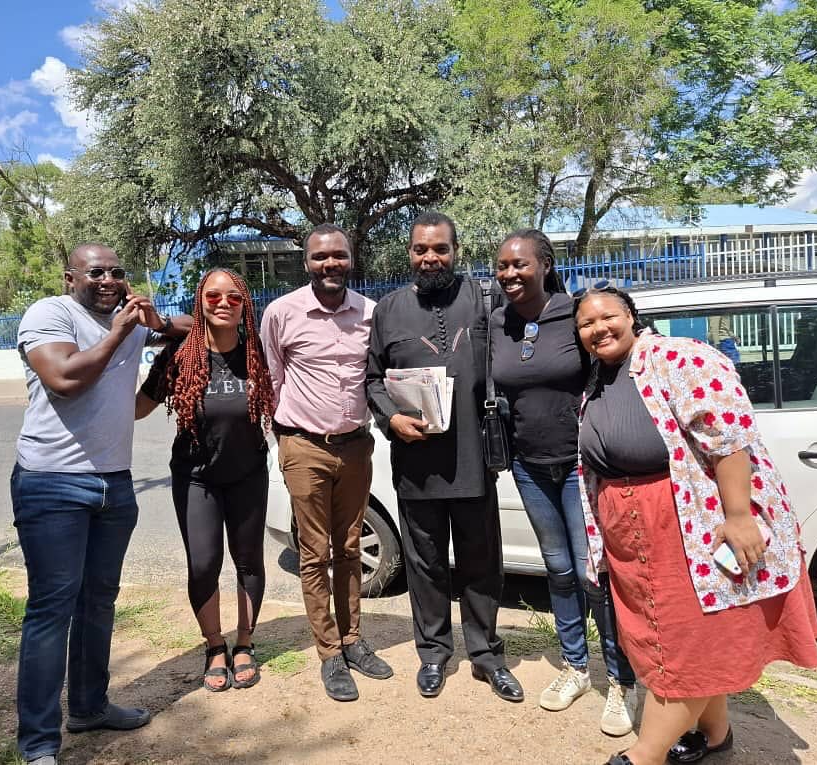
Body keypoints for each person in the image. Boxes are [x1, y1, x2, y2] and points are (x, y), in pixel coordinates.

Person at [571, 282, 817, 765]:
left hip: (685, 524)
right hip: (635, 530)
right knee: (686, 640)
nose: (598, 328)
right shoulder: (603, 375)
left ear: (631, 315)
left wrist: (738, 516)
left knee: (682, 649)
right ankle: (716, 733)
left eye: (608, 317)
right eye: (586, 323)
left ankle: (643, 756)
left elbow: (728, 439)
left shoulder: (678, 357)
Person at [11, 243, 190, 765]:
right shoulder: (50, 314)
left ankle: (89, 707)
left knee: (98, 604)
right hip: (53, 485)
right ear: (71, 278)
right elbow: (65, 380)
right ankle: (39, 744)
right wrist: (121, 332)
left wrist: (157, 323)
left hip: (114, 484)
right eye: (96, 272)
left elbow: (184, 328)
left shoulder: (130, 321)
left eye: (117, 272)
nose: (109, 280)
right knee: (52, 610)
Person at [366, 211, 523, 703]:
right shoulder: (387, 309)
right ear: (409, 253)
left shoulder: (482, 298)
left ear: (456, 251)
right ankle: (433, 653)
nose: (430, 258)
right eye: (421, 249)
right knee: (426, 564)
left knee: (480, 562)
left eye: (440, 249)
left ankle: (487, 654)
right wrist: (391, 417)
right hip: (416, 463)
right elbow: (372, 379)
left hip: (473, 458)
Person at [491, 230, 636, 734]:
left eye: (520, 264)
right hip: (530, 466)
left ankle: (620, 680)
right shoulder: (498, 323)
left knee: (591, 571)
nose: (509, 273)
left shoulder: (572, 313)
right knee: (556, 570)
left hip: (580, 464)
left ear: (545, 265)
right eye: (502, 266)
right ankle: (575, 667)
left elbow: (618, 362)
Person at [260, 223, 392, 702]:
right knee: (314, 555)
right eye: (320, 257)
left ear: (350, 259)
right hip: (304, 447)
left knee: (350, 548)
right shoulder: (281, 313)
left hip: (356, 446)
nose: (330, 264)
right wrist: (284, 441)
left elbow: (378, 376)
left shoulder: (372, 314)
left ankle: (353, 640)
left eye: (338, 255)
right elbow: (272, 377)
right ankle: (329, 650)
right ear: (307, 262)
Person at [135, 268, 274, 692]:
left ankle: (245, 642)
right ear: (201, 302)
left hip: (249, 473)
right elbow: (138, 408)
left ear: (245, 304)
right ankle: (215, 646)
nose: (223, 303)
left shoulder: (259, 351)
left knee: (249, 561)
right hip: (197, 478)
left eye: (234, 297)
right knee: (203, 564)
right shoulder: (181, 354)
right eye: (213, 296)